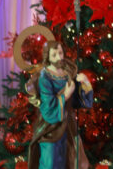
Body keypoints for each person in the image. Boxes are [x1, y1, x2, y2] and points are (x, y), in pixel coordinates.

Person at [27, 41, 93, 169]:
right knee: (51, 160)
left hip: (69, 125)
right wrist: (66, 95)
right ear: (48, 57)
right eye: (54, 55)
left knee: (71, 158)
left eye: (60, 53)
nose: (59, 57)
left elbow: (78, 101)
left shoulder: (68, 72)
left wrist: (85, 83)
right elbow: (48, 106)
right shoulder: (45, 77)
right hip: (51, 127)